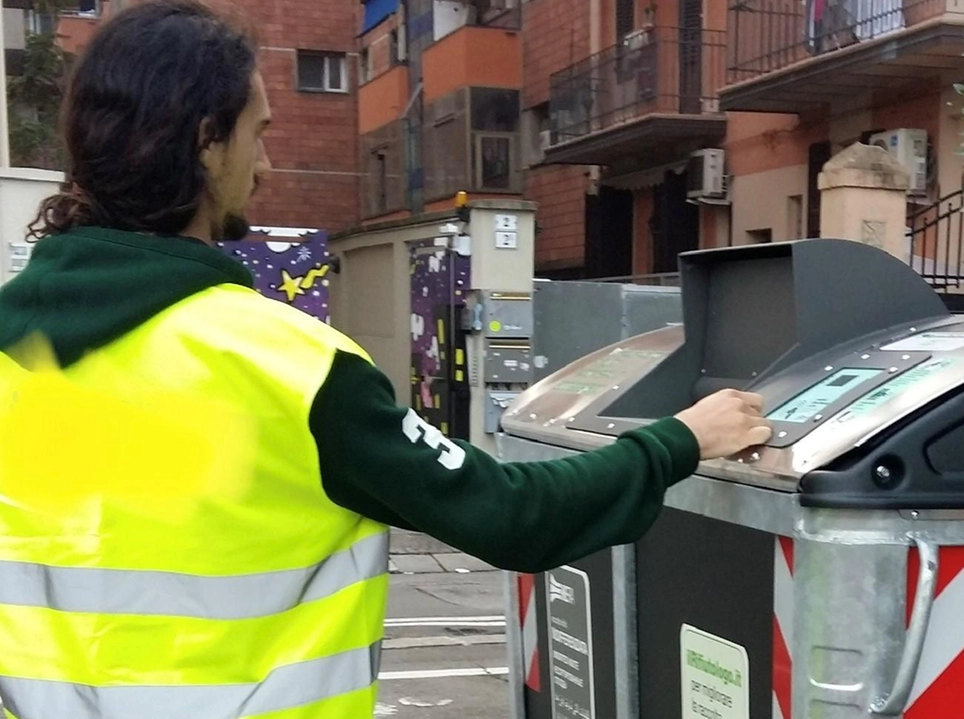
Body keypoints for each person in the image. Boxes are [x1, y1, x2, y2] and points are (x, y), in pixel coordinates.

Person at [0, 2, 772, 718]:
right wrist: (681, 438)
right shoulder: (284, 365)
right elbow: (511, 513)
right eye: (258, 132)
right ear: (206, 140)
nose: (264, 166)